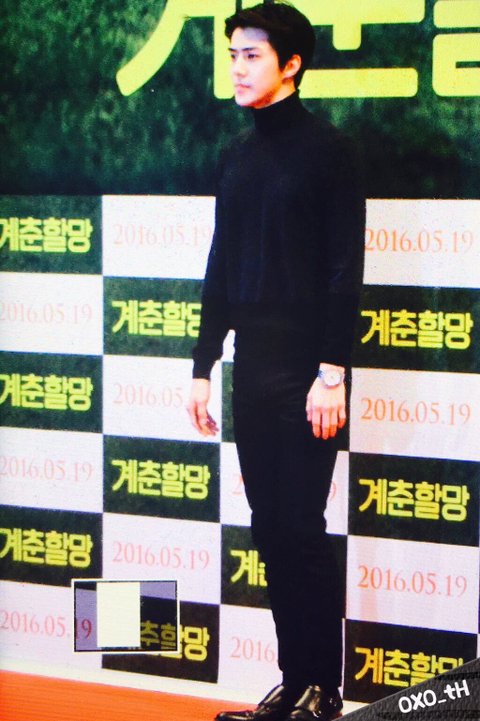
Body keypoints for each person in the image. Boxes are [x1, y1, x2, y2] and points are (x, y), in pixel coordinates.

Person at [187, 3, 365, 720]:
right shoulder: (236, 155)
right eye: (233, 54)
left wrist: (332, 372)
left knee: (300, 527)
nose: (237, 68)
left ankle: (324, 690)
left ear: (291, 65)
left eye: (252, 55)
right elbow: (221, 266)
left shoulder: (329, 150)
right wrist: (203, 364)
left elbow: (344, 268)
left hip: (307, 371)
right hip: (252, 366)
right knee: (269, 529)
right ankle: (294, 684)